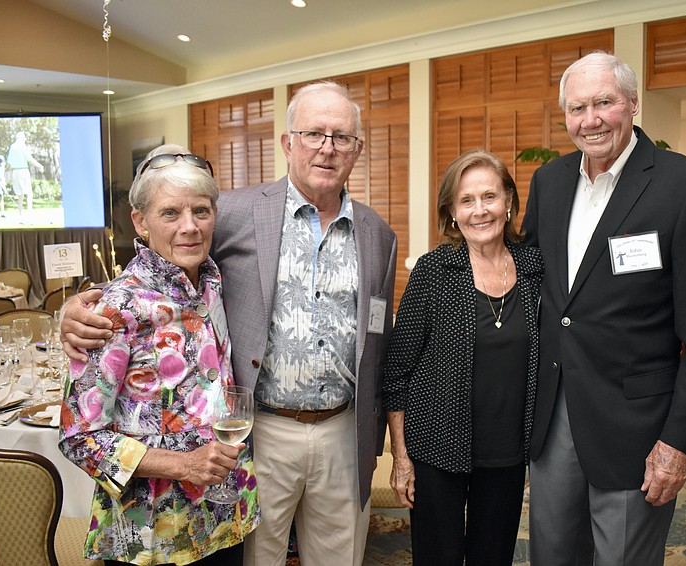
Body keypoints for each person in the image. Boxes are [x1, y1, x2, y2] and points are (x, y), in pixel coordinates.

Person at [61, 81, 398, 566]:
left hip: (341, 433)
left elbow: (378, 336)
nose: (327, 147)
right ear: (288, 143)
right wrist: (76, 311)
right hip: (260, 434)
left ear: (357, 149)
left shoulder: (378, 236)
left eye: (341, 137)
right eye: (313, 133)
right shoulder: (236, 212)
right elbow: (159, 264)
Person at [521, 51, 686, 566]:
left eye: (603, 103)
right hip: (553, 418)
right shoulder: (548, 183)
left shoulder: (685, 185)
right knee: (551, 555)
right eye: (576, 108)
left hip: (638, 426)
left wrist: (678, 441)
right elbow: (534, 287)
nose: (589, 120)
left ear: (633, 104)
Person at [59, 144, 260, 565]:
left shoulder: (211, 279)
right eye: (170, 213)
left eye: (201, 211)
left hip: (222, 514)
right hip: (153, 531)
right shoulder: (114, 311)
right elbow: (79, 438)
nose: (190, 226)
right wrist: (182, 465)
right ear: (141, 221)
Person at [383, 150, 543, 565]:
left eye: (489, 196)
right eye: (466, 201)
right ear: (452, 212)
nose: (479, 210)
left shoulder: (534, 268)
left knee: (494, 557)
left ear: (508, 201)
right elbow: (396, 371)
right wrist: (401, 458)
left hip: (508, 452)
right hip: (437, 449)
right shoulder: (434, 271)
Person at [6, 131, 44, 219]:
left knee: (20, 194)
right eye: (24, 138)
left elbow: (9, 163)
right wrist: (40, 166)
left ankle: (20, 214)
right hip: (23, 171)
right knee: (29, 193)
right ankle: (29, 214)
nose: (25, 140)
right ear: (21, 138)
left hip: (15, 172)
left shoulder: (12, 147)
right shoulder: (22, 146)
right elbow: (30, 159)